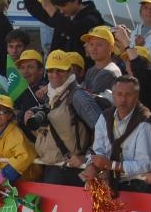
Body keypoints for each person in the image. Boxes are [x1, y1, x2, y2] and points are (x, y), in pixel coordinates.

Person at [28, 49, 101, 186]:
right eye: (51, 70)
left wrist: (86, 158)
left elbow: (102, 129)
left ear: (69, 72)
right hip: (53, 166)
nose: (55, 75)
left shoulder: (78, 96)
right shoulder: (50, 94)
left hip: (73, 170)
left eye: (60, 70)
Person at [81, 75, 151, 193]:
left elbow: (145, 165)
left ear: (137, 96)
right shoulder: (105, 117)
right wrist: (92, 166)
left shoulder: (145, 124)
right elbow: (98, 150)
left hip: (139, 187)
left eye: (128, 95)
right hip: (111, 182)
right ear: (113, 95)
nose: (123, 100)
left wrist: (111, 165)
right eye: (119, 94)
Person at [81, 26, 121, 102]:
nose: (94, 48)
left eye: (99, 45)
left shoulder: (110, 72)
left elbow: (90, 102)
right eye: (91, 44)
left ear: (111, 47)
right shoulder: (91, 70)